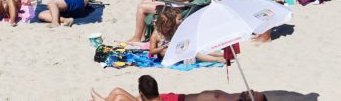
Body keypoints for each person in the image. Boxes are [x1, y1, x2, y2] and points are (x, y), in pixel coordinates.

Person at [90, 74, 267, 101]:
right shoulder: (237, 96)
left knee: (119, 95)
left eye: (255, 94)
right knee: (118, 92)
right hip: (179, 97)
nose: (252, 90)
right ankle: (104, 99)